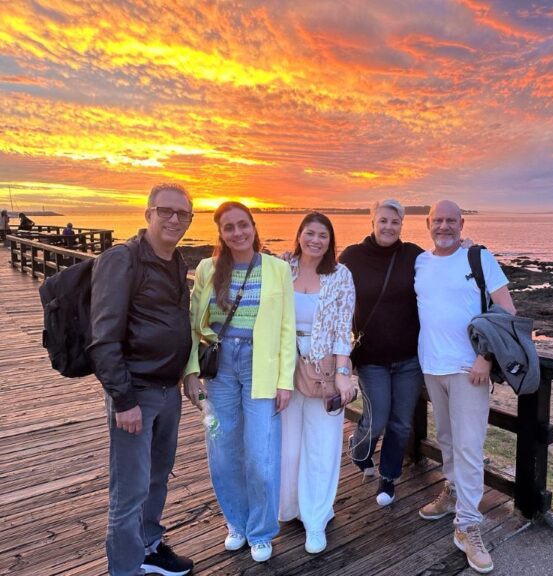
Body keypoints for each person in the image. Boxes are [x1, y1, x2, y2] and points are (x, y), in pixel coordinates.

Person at [88, 183, 195, 576]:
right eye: (166, 211)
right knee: (129, 489)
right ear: (148, 213)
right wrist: (123, 399)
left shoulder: (176, 260)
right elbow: (103, 338)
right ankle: (125, 568)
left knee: (157, 477)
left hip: (169, 391)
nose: (174, 219)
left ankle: (149, 546)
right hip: (136, 392)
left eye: (183, 214)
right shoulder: (122, 259)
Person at [182, 201, 295, 564]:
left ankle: (261, 530)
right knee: (223, 448)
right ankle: (237, 522)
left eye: (243, 224)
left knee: (261, 454)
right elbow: (193, 323)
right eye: (229, 227)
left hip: (261, 367)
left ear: (253, 226)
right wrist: (190, 371)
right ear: (220, 233)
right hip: (220, 367)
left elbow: (286, 328)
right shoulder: (208, 268)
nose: (237, 232)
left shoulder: (277, 268)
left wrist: (285, 381)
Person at [414, 200, 517, 574]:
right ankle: (453, 493)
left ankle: (468, 526)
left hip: (469, 370)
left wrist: (486, 357)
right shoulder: (420, 263)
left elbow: (508, 312)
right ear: (428, 223)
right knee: (446, 438)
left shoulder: (479, 258)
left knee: (470, 447)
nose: (444, 226)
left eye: (450, 221)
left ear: (461, 224)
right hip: (431, 367)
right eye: (437, 220)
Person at [279, 212, 356, 555]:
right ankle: (290, 506)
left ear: (330, 241)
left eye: (323, 235)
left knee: (322, 445)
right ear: (299, 235)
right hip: (284, 366)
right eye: (309, 233)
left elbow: (343, 327)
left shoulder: (340, 275)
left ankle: (316, 517)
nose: (315, 240)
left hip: (323, 367)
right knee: (288, 445)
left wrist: (343, 371)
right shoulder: (282, 268)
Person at [340, 199, 425, 506]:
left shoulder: (414, 255)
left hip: (409, 358)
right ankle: (359, 448)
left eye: (395, 222)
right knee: (376, 420)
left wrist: (467, 250)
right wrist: (290, 263)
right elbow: (324, 281)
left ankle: (388, 477)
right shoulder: (352, 256)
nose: (389, 227)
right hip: (371, 357)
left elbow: (444, 270)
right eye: (383, 220)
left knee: (401, 423)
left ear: (402, 224)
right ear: (372, 222)